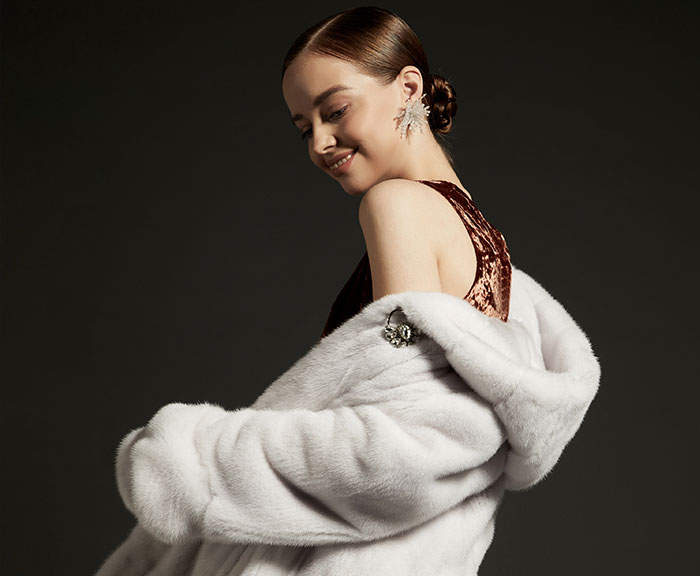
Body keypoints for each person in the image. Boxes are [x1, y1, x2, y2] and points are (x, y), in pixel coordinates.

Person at [95, 7, 600, 576]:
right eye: (303, 128)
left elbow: (401, 442)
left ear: (408, 88)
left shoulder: (397, 205)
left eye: (335, 111)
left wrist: (197, 460)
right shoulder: (489, 244)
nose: (319, 142)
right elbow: (423, 397)